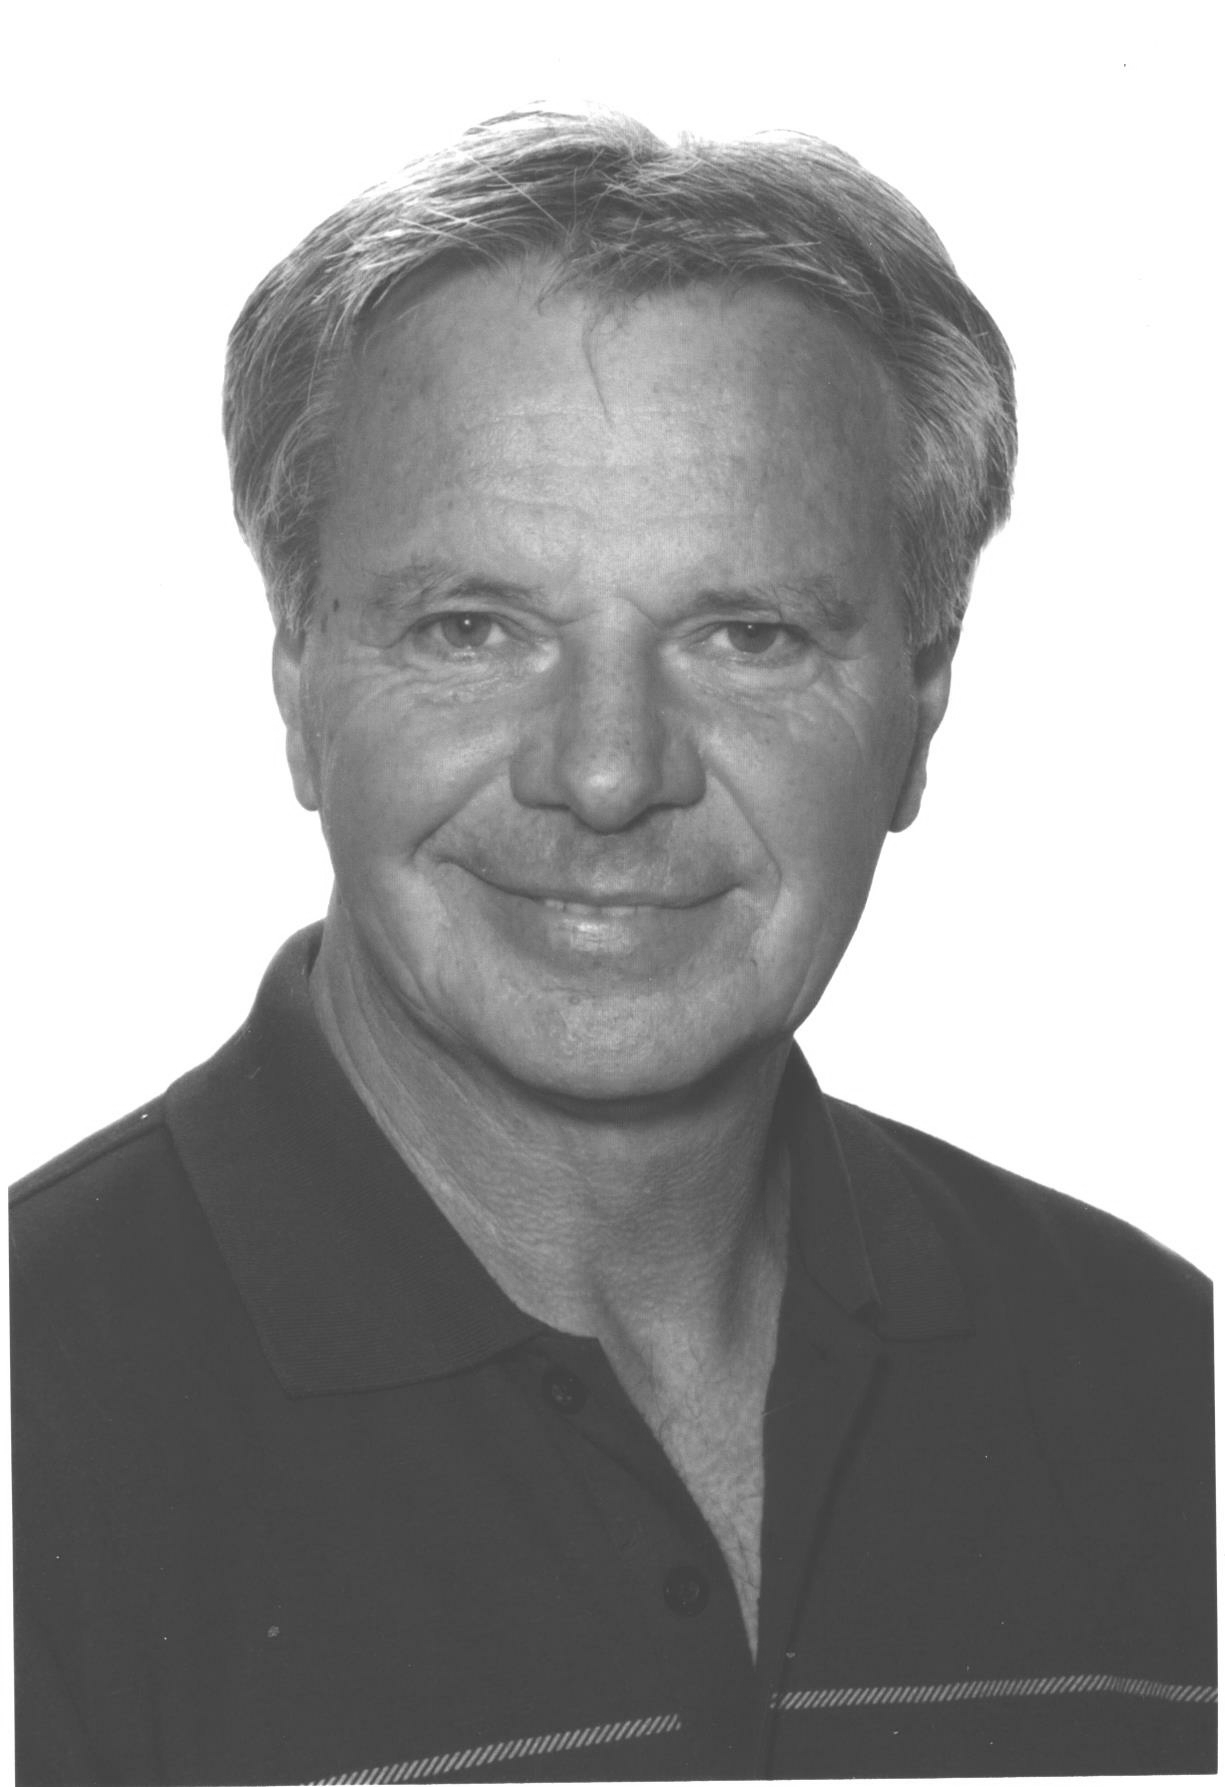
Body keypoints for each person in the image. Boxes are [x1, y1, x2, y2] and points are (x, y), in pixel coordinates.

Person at [10, 107, 1214, 1785]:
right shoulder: (35, 1419)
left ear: (920, 706)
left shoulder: (1161, 1382)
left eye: (746, 633)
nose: (602, 773)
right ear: (297, 682)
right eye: (472, 626)